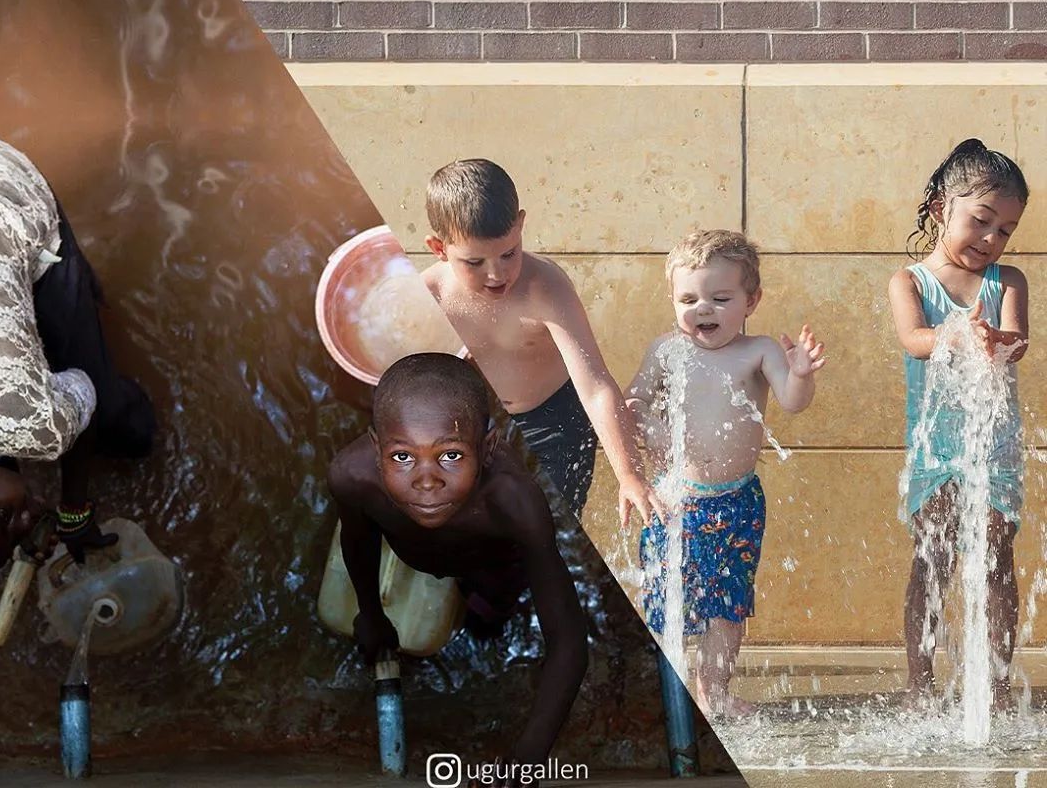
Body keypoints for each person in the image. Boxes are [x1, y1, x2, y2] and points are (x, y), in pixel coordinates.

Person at [327, 353, 588, 783]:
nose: (427, 481)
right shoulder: (352, 478)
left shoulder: (514, 504)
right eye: (402, 457)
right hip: (412, 548)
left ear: (488, 448)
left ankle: (488, 611)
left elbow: (569, 642)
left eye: (449, 456)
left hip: (490, 563)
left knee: (494, 606)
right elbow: (358, 539)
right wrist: (370, 613)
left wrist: (527, 758)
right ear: (376, 448)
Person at [626, 230, 825, 718]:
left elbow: (792, 403)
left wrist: (800, 373)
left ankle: (712, 692)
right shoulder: (665, 351)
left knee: (728, 607)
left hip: (736, 500)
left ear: (750, 300)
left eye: (720, 298)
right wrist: (646, 430)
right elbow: (631, 403)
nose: (703, 310)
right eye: (688, 299)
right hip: (675, 501)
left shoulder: (758, 351)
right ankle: (663, 693)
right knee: (666, 600)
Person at [421, 158, 660, 525]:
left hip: (555, 424)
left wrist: (629, 474)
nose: (497, 273)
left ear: (520, 226)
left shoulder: (545, 287)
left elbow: (595, 386)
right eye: (474, 263)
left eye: (508, 253)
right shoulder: (428, 297)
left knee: (545, 532)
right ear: (439, 248)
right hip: (477, 430)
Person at [0, 135, 155, 585]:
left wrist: (73, 510)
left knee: (119, 421)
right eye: (18, 537)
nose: (27, 521)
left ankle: (76, 281)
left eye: (8, 514)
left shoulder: (30, 421)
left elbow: (83, 386)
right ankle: (78, 289)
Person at [888, 138, 1029, 708]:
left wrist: (999, 341)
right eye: (981, 221)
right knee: (933, 557)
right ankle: (919, 686)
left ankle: (994, 685)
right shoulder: (910, 282)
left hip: (992, 447)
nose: (992, 240)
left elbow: (1018, 341)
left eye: (1006, 230)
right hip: (934, 446)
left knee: (997, 556)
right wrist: (955, 333)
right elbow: (913, 339)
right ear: (939, 207)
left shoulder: (1008, 280)